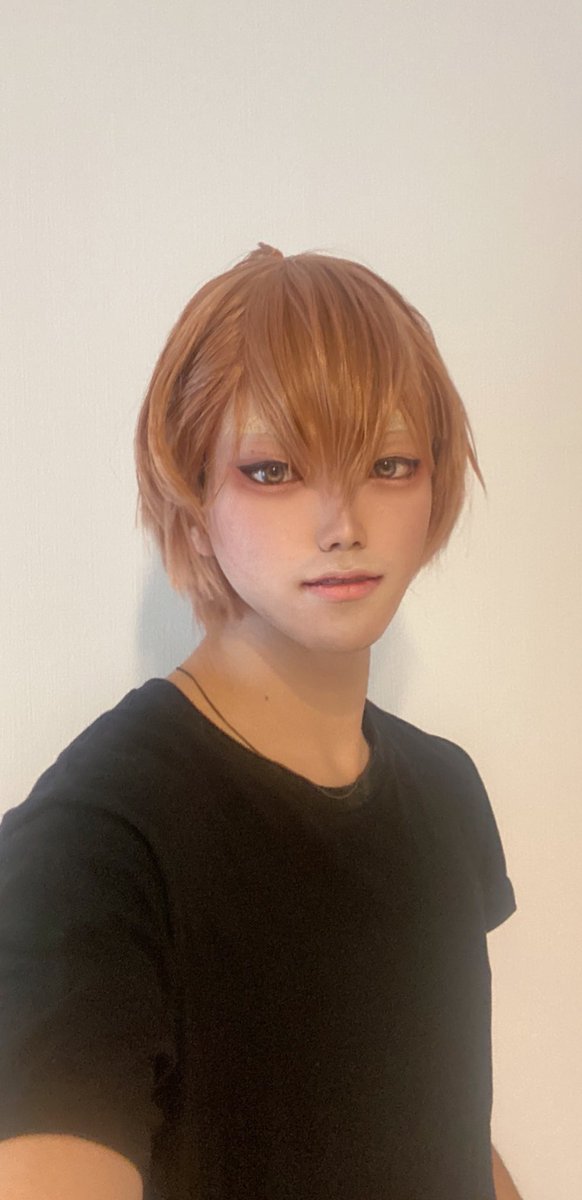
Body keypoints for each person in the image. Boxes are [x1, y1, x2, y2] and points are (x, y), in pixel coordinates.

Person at [0, 243, 521, 1199]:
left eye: (389, 464)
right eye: (274, 469)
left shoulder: (447, 793)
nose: (341, 522)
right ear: (191, 490)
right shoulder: (93, 847)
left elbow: (444, 1129)